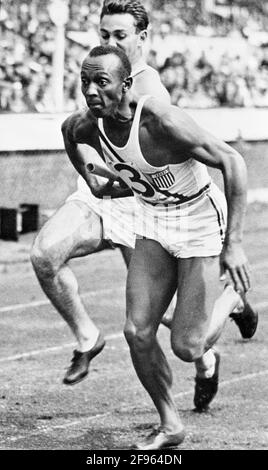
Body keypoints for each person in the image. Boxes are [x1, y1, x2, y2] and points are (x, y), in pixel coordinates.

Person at [61, 45, 256, 449]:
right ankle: (170, 424)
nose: (91, 91)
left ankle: (232, 299)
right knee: (136, 331)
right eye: (85, 82)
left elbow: (233, 161)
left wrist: (233, 244)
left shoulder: (161, 122)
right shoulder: (88, 125)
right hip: (152, 219)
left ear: (126, 85)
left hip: (199, 221)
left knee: (188, 346)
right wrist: (94, 181)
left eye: (102, 81)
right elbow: (68, 134)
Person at [30, 0, 171, 387]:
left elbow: (166, 167)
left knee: (170, 317)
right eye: (104, 35)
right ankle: (88, 338)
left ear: (142, 38)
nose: (110, 42)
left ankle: (215, 342)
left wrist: (131, 184)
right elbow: (71, 128)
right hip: (101, 196)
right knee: (45, 254)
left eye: (120, 36)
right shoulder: (102, 72)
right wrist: (89, 177)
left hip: (141, 206)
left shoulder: (150, 92)